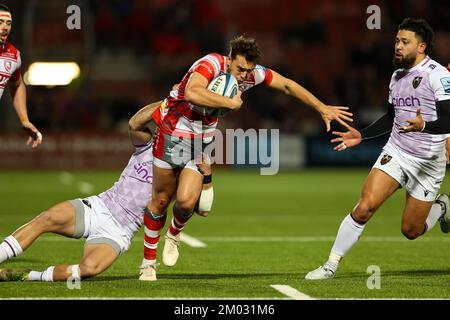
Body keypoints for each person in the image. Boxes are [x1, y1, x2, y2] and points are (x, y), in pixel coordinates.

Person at [142, 36, 353, 276]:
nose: (243, 75)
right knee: (160, 200)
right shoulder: (210, 63)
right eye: (240, 68)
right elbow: (193, 92)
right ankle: (148, 263)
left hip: (201, 140)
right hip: (172, 130)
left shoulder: (253, 74)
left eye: (248, 71)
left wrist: (321, 107)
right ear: (229, 58)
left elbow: (286, 85)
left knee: (187, 202)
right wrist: (230, 103)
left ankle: (174, 234)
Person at [0, 101, 213, 282]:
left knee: (88, 269)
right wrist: (169, 101)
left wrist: (207, 178)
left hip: (119, 231)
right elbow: (134, 123)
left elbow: (202, 210)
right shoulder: (149, 144)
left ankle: (27, 276)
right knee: (46, 218)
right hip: (98, 207)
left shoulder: (187, 169)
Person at [305, 18, 450, 280]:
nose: (398, 46)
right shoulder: (397, 76)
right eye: (397, 40)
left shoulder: (438, 75)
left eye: (405, 42)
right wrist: (362, 134)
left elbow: (449, 119)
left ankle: (441, 208)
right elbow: (390, 116)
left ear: (422, 47)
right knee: (364, 207)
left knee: (411, 230)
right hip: (397, 151)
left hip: (429, 161)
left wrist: (424, 125)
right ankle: (330, 265)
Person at [0, 4, 42, 148]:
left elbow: (17, 85)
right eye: (0, 22)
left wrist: (24, 119)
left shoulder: (13, 56)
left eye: (8, 23)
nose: (5, 27)